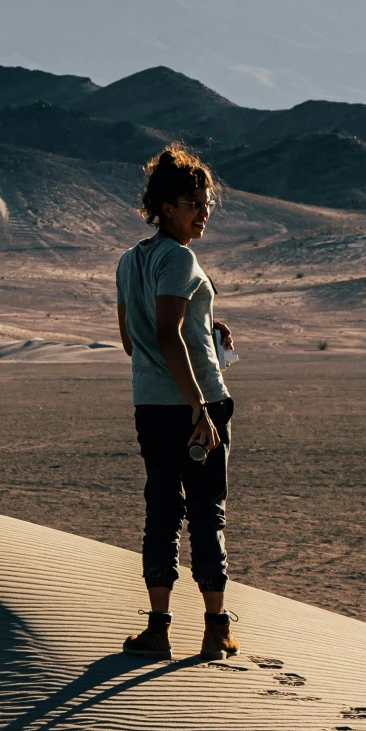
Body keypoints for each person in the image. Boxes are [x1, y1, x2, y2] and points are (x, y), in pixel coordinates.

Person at [115, 145, 237, 660]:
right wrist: (201, 410)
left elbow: (133, 341)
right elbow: (167, 336)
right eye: (193, 202)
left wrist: (205, 329)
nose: (202, 211)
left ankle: (158, 629)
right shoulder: (179, 257)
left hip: (149, 403)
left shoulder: (128, 261)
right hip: (195, 403)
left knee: (162, 513)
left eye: (206, 202)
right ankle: (214, 629)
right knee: (207, 513)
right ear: (166, 206)